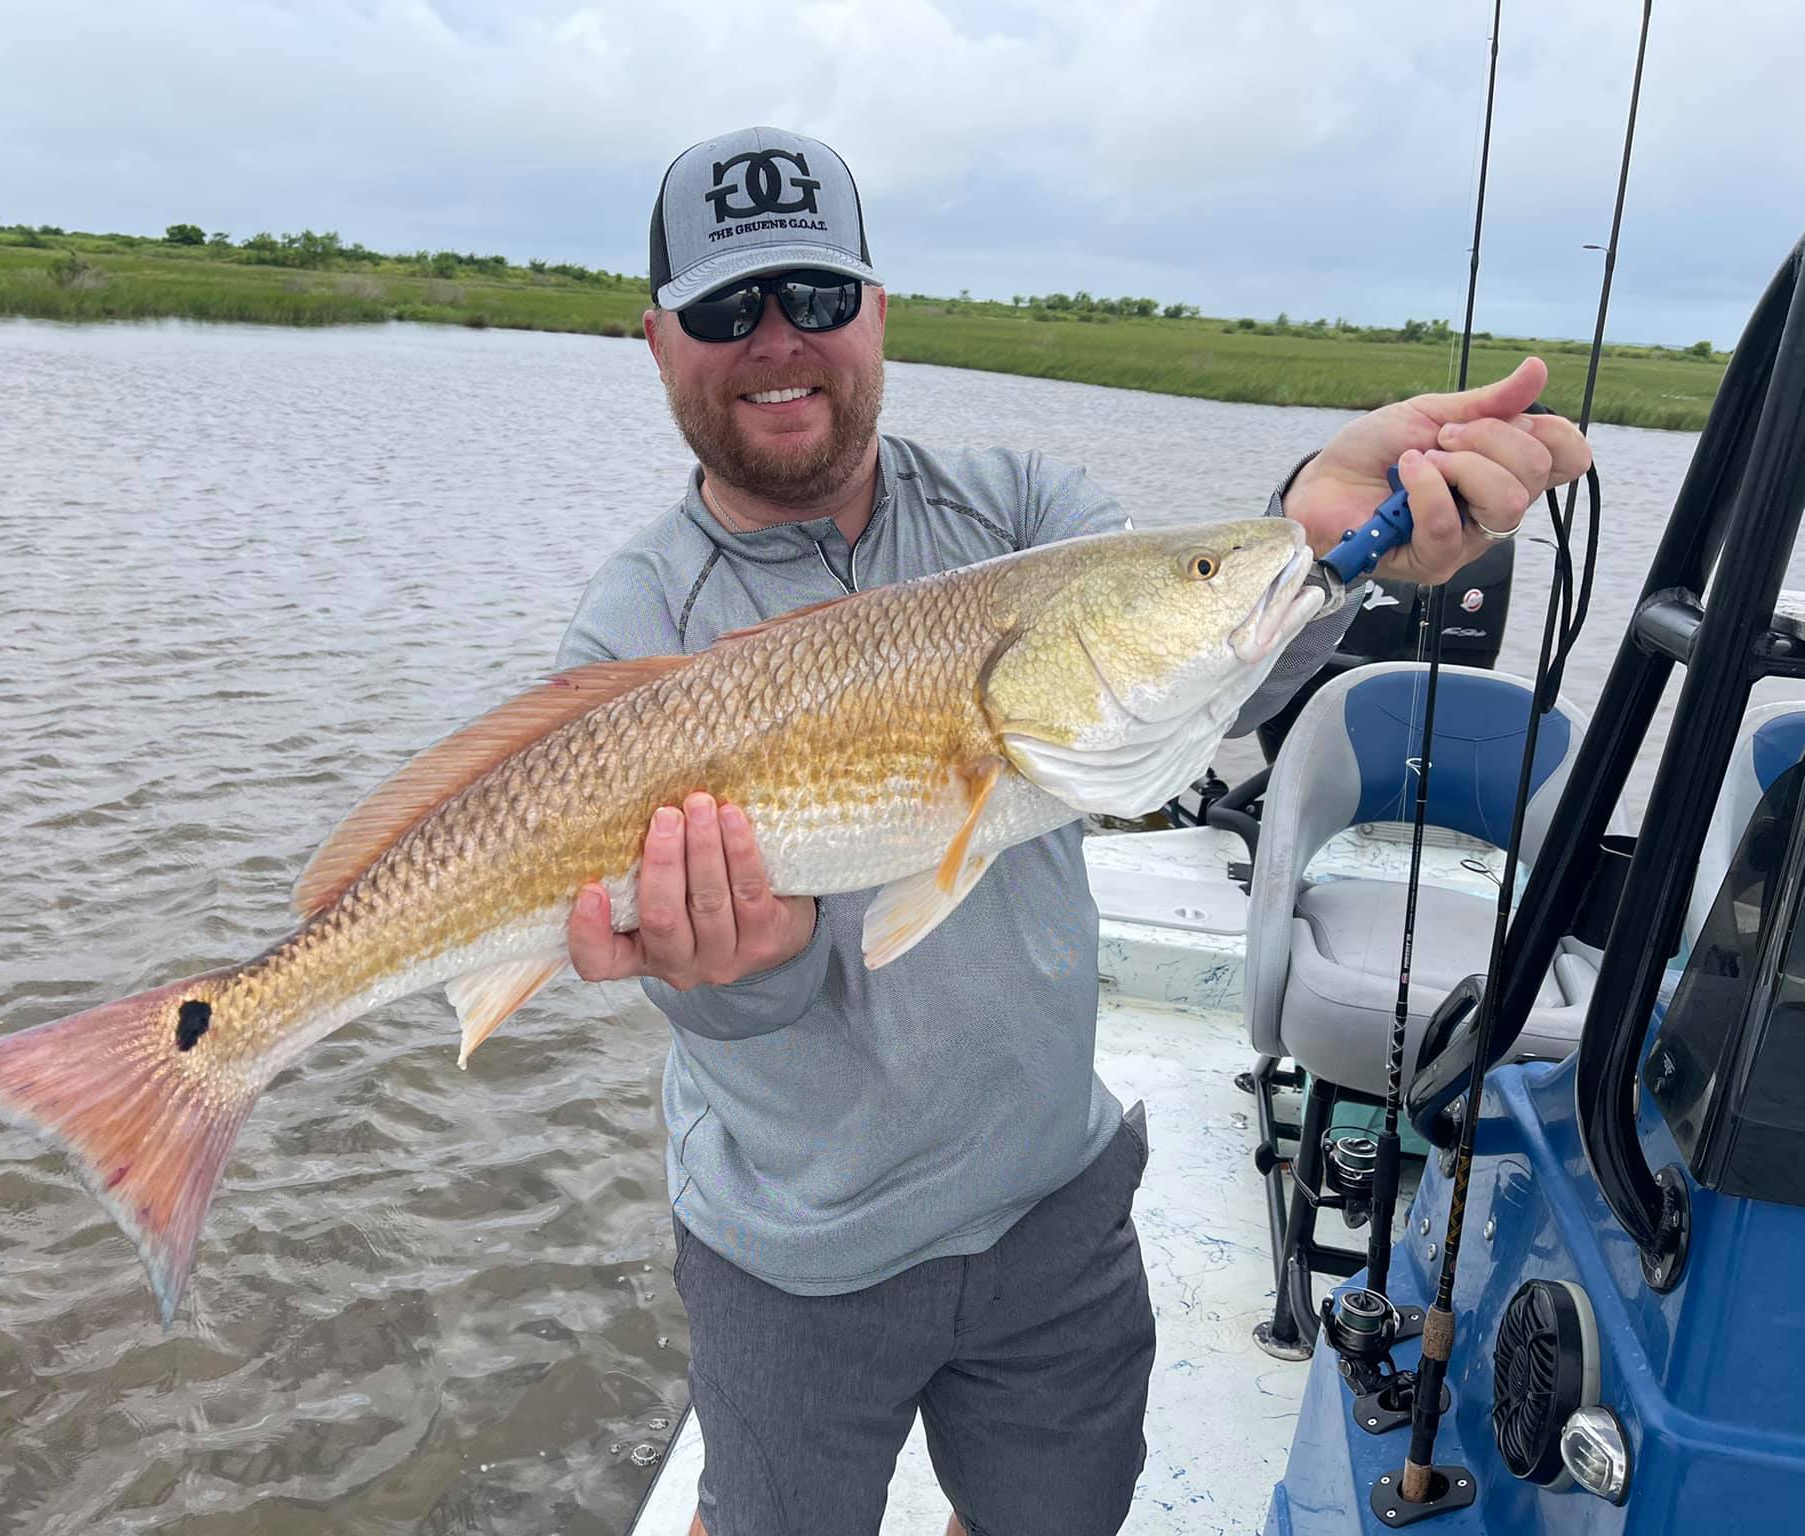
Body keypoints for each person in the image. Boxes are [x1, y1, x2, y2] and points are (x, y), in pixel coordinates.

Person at [555, 126, 1591, 1536]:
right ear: (659, 338)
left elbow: (1180, 697)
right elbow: (716, 1009)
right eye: (730, 309)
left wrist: (1312, 548)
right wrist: (744, 970)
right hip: (795, 1251)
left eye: (818, 295)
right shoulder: (632, 633)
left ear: (877, 306)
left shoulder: (1025, 519)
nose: (779, 342)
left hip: (1050, 1195)